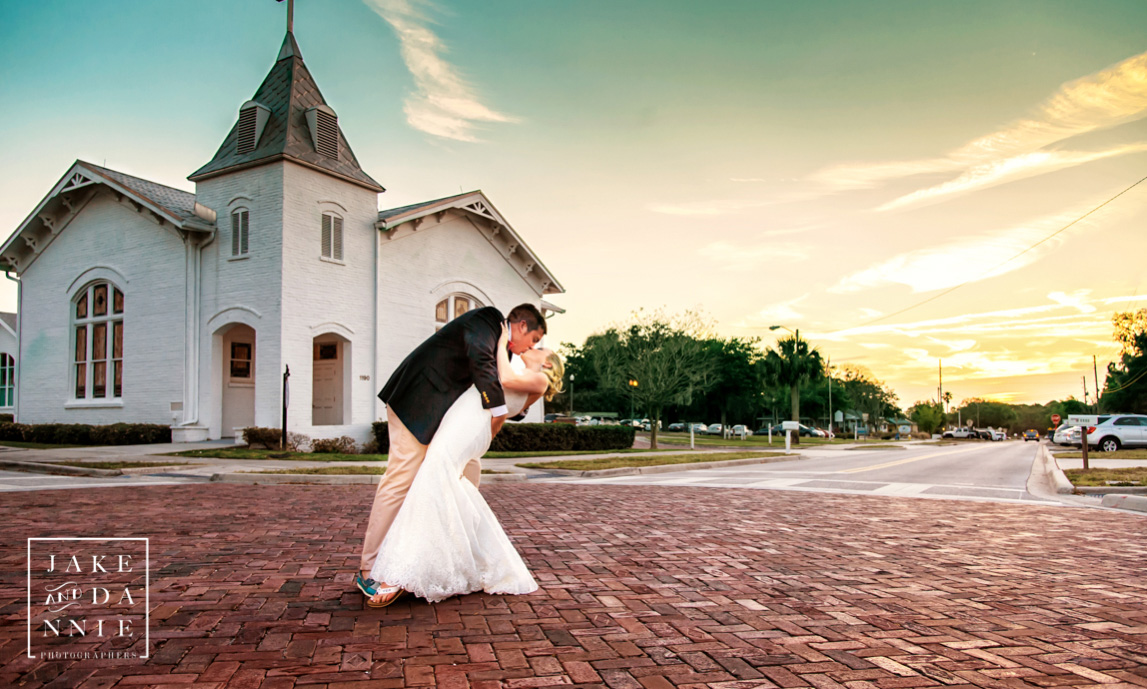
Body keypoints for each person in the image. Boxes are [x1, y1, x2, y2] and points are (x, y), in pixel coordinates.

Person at [355, 303, 547, 607]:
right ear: (522, 326)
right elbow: (480, 360)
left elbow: (501, 384)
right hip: (418, 401)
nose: (531, 347)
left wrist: (510, 406)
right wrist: (497, 412)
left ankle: (455, 556)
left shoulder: (504, 349)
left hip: (443, 418)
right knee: (401, 479)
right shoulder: (488, 320)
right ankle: (371, 567)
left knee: (468, 475)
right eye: (534, 340)